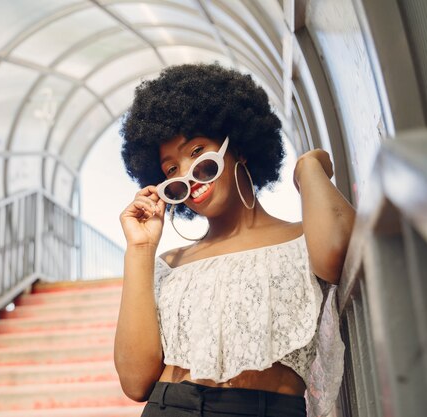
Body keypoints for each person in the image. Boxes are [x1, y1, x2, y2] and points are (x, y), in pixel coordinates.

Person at [115, 63, 355, 417]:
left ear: (238, 147)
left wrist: (308, 168)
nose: (189, 177)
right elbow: (135, 382)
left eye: (198, 153)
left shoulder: (302, 240)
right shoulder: (170, 265)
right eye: (171, 170)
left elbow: (340, 248)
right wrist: (140, 248)